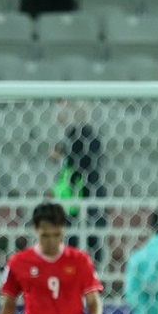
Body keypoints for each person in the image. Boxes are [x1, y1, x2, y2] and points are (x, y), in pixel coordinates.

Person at [50, 100, 105, 265]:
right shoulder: (88, 138)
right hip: (84, 200)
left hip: (77, 200)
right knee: (89, 243)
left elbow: (73, 171)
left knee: (76, 242)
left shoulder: (78, 137)